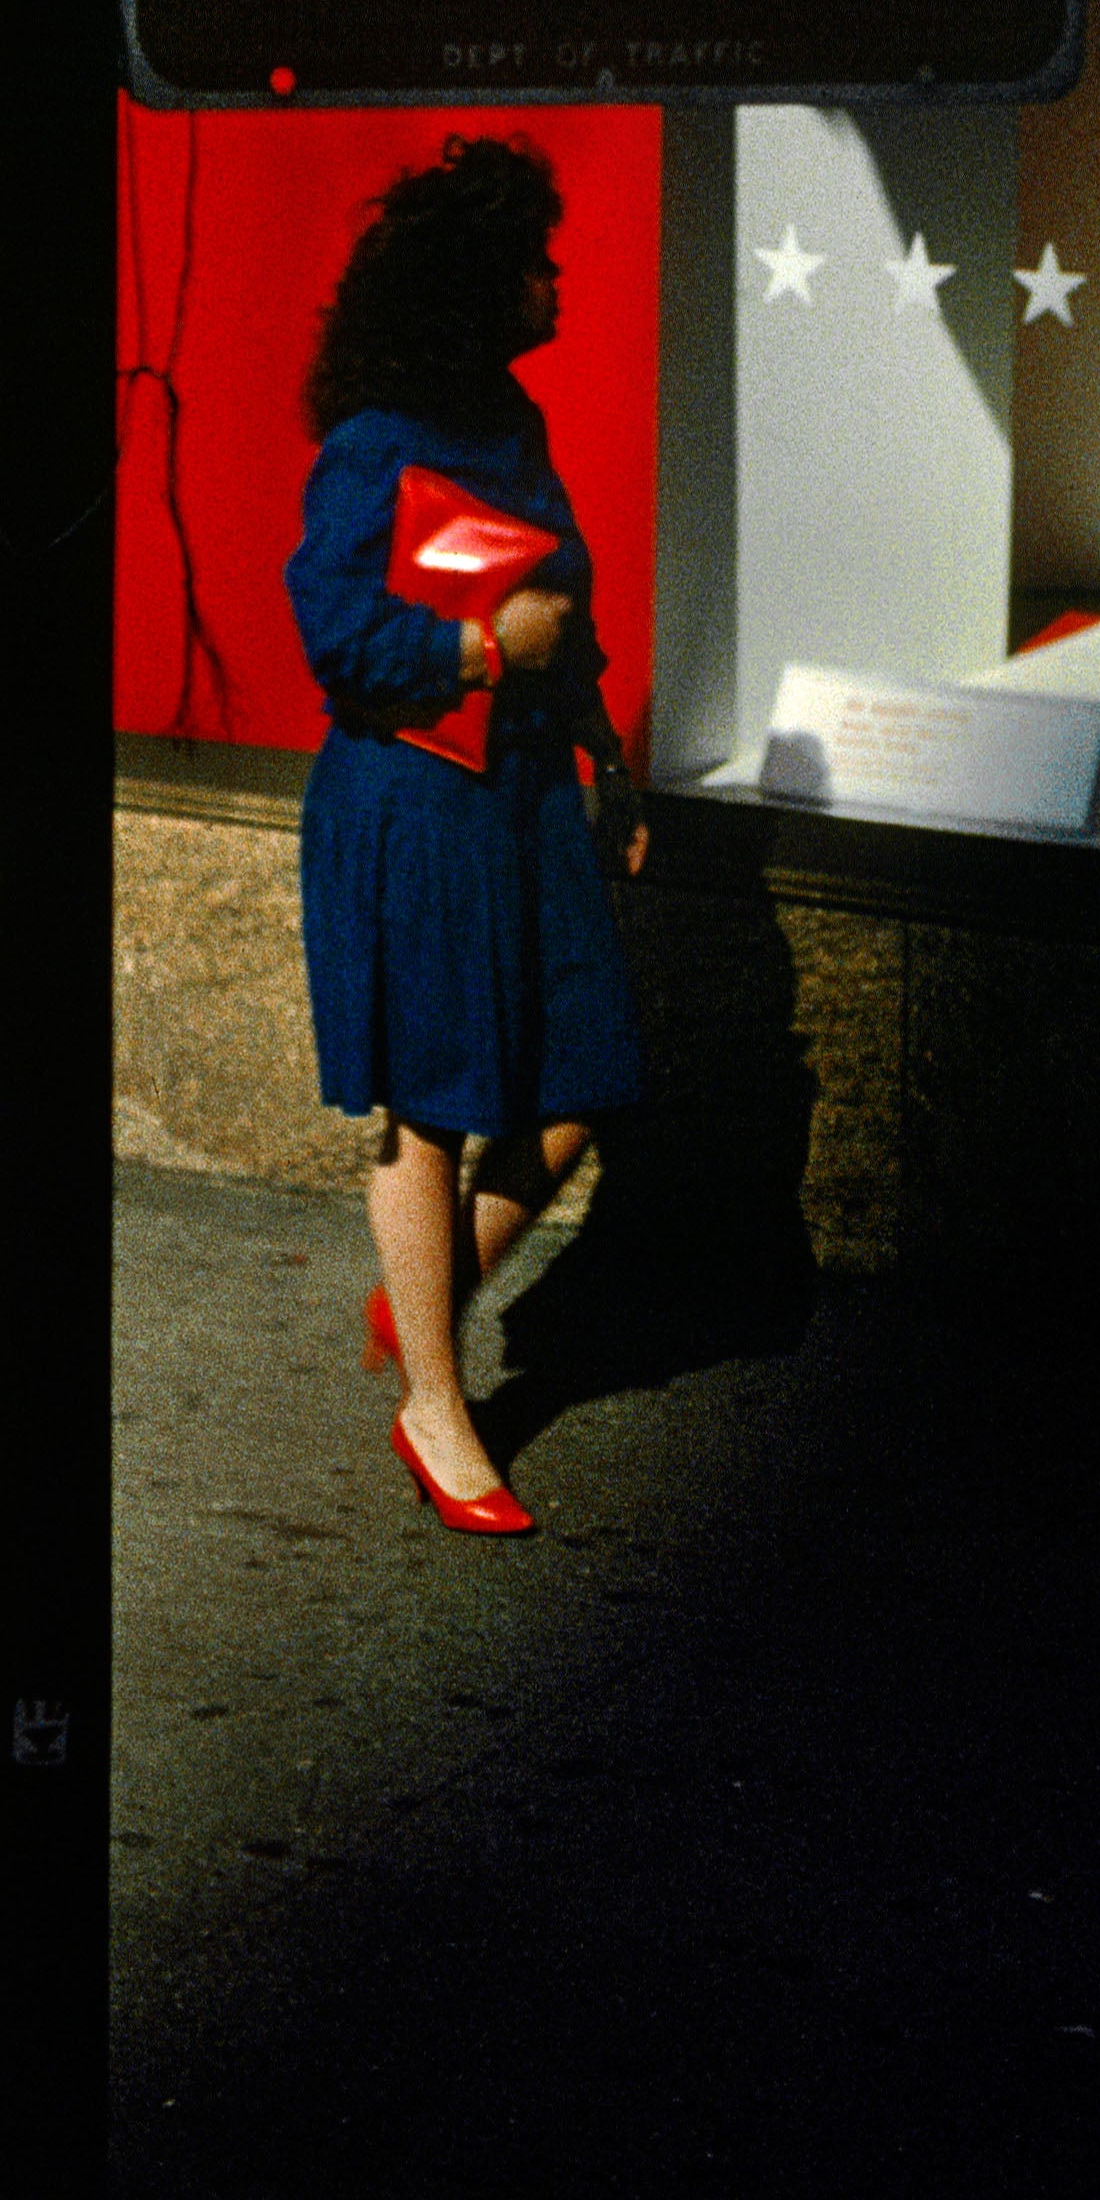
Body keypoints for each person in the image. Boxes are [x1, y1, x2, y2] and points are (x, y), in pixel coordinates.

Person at [284, 135, 648, 1535]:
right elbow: (338, 638)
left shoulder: (511, 418)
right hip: (415, 806)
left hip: (528, 793)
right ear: (474, 286)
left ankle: (425, 1292)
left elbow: (567, 599)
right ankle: (438, 1409)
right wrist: (482, 647)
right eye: (535, 262)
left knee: (588, 1067)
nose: (557, 281)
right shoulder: (374, 445)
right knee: (430, 1101)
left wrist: (604, 752)